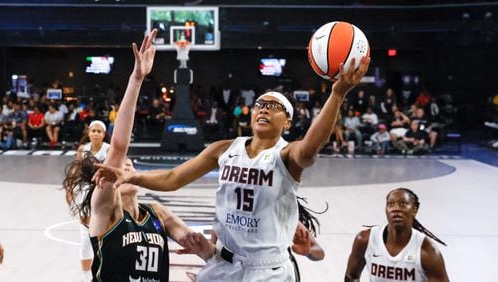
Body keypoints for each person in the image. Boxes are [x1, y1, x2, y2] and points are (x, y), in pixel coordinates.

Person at [95, 56, 370, 281]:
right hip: (222, 263)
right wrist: (133, 176)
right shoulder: (224, 148)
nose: (264, 109)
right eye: (260, 105)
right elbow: (173, 178)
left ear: (287, 122)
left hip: (267, 270)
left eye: (274, 107)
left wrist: (337, 93)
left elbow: (309, 148)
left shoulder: (286, 154)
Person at [63, 29, 213, 281]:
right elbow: (119, 147)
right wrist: (137, 79)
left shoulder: (157, 213)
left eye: (130, 166)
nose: (127, 168)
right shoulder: (107, 210)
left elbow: (202, 248)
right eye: (122, 167)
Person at [344, 188, 449, 282]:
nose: (395, 209)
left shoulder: (427, 251)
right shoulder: (365, 240)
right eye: (390, 204)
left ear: (415, 209)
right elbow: (351, 276)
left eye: (403, 204)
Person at [65, 119, 110, 282]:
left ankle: (103, 274)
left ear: (104, 134)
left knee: (103, 236)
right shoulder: (83, 150)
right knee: (85, 237)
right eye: (93, 130)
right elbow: (76, 171)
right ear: (89, 133)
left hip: (103, 192)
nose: (96, 133)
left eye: (99, 131)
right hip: (85, 193)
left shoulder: (109, 149)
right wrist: (69, 188)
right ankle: (86, 278)